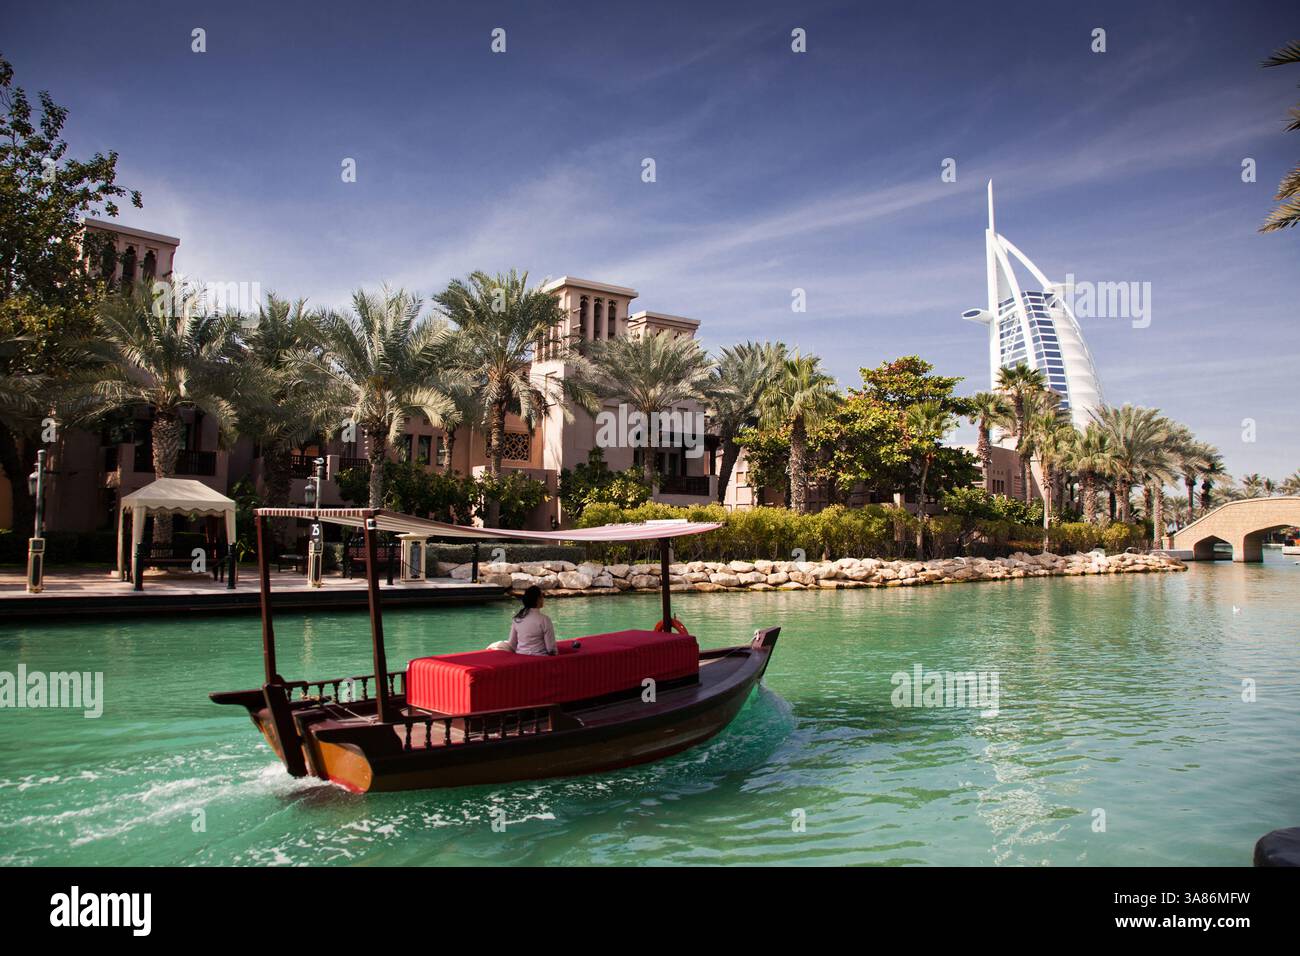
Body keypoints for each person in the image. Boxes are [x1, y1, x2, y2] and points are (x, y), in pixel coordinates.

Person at [505, 585, 557, 656]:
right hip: (540, 660)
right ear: (538, 599)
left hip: (521, 657)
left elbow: (512, 644)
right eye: (542, 596)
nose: (543, 599)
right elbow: (551, 649)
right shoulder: (545, 620)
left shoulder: (517, 619)